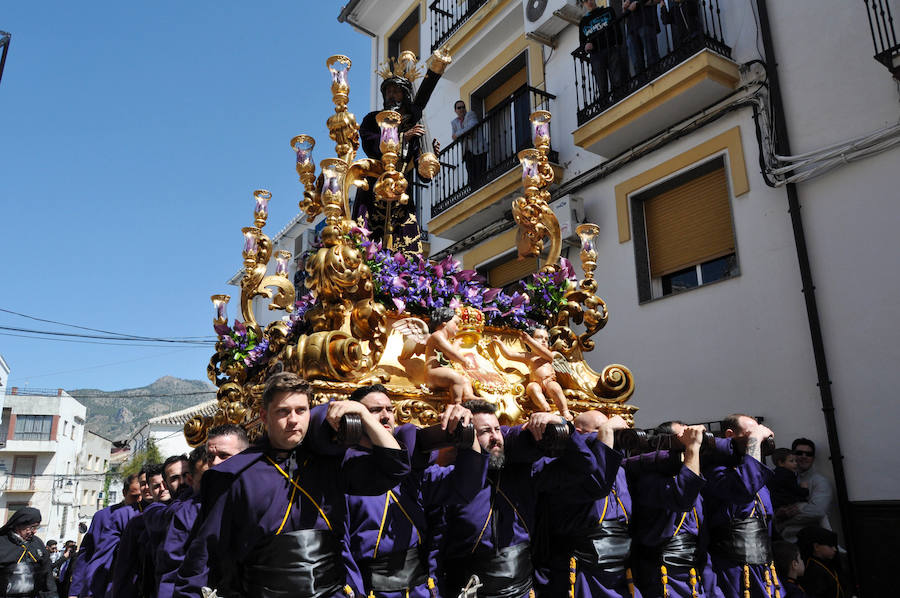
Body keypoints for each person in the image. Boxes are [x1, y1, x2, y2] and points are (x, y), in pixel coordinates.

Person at [174, 372, 411, 598]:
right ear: (265, 416)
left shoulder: (332, 464)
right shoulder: (238, 475)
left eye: (301, 410)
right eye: (283, 411)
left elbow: (396, 468)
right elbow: (204, 554)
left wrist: (364, 414)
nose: (293, 420)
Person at [439, 400, 603, 598]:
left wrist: (563, 425)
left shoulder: (526, 473)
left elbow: (584, 466)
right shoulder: (448, 479)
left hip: (522, 590)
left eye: (497, 429)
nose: (495, 438)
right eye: (484, 432)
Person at [345, 384, 487, 597]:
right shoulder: (346, 473)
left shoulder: (413, 472)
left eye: (390, 409)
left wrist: (469, 433)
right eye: (375, 410)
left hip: (421, 588)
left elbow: (465, 487)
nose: (386, 416)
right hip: (372, 590)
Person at [532, 410, 631, 597]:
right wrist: (607, 430)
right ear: (578, 433)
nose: (609, 437)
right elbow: (597, 483)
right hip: (583, 566)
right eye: (600, 430)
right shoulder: (560, 467)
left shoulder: (619, 467)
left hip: (620, 567)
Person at [627, 420, 723, 598]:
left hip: (697, 570)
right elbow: (683, 495)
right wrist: (692, 447)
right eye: (682, 445)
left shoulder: (694, 479)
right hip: (664, 575)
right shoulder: (649, 480)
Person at [702, 414, 783, 598]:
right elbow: (743, 488)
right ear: (730, 435)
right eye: (751, 432)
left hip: (764, 565)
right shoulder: (714, 470)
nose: (758, 437)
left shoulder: (755, 472)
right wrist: (753, 441)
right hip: (733, 570)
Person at [156, 445, 218, 598]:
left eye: (185, 475)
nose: (182, 482)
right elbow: (170, 571)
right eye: (175, 478)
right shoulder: (178, 513)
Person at [68, 474, 142, 598]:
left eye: (142, 496)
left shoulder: (146, 516)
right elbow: (86, 554)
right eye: (135, 496)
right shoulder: (102, 517)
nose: (139, 500)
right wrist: (75, 592)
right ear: (124, 493)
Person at [490, 327, 572, 420]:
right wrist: (500, 344)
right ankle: (545, 408)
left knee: (555, 388)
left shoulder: (548, 355)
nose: (544, 341)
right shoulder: (528, 356)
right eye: (539, 337)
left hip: (549, 381)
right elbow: (509, 355)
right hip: (535, 382)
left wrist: (529, 341)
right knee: (532, 388)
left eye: (546, 339)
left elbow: (541, 350)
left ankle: (564, 411)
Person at [777, 438, 833, 543]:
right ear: (792, 455)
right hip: (785, 544)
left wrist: (783, 521)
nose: (804, 456)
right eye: (799, 453)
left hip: (813, 544)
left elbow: (818, 511)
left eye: (808, 454)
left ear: (813, 458)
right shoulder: (780, 478)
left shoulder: (820, 482)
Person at [0, 507, 56, 598]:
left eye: (37, 527)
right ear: (19, 525)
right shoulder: (2, 543)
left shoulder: (37, 543)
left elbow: (47, 575)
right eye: (32, 527)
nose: (35, 531)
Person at [424, 307, 476, 404]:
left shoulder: (443, 339)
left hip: (441, 373)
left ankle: (469, 396)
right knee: (456, 377)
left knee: (464, 379)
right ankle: (456, 404)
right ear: (444, 322)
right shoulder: (437, 335)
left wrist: (456, 344)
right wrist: (463, 360)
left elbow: (449, 356)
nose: (458, 328)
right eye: (456, 324)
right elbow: (451, 353)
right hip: (432, 374)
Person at [578, 0, 625, 99]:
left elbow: (617, 29)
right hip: (596, 54)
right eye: (585, 1)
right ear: (583, 4)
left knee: (617, 78)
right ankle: (605, 103)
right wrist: (586, 46)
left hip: (611, 48)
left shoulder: (608, 11)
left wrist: (617, 43)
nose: (589, 2)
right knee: (601, 83)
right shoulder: (583, 22)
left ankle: (618, 98)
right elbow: (582, 43)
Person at [796, 526, 846, 598]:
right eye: (830, 546)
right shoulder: (813, 570)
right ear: (816, 547)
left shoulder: (829, 563)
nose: (835, 549)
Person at [450, 100, 487, 187]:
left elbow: (472, 125)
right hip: (467, 151)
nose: (462, 109)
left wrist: (460, 134)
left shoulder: (470, 114)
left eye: (463, 107)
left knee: (480, 172)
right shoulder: (454, 122)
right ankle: (473, 189)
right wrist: (465, 134)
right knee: (471, 174)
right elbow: (454, 137)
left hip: (478, 149)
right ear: (455, 110)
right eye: (459, 108)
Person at [623, 0, 661, 75]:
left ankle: (655, 75)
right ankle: (642, 81)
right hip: (631, 30)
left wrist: (637, 3)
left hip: (646, 22)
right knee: (636, 62)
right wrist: (624, 9)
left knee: (651, 55)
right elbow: (625, 19)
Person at [767, 448, 808, 512]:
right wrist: (805, 489)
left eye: (796, 461)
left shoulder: (773, 474)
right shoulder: (787, 474)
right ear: (781, 463)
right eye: (791, 461)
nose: (795, 463)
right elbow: (797, 491)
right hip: (785, 506)